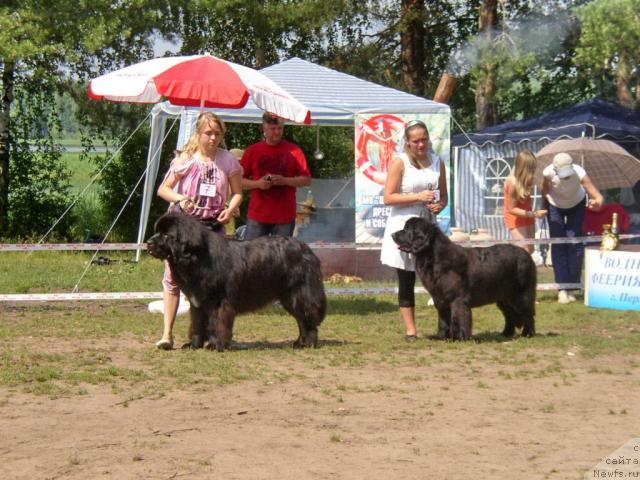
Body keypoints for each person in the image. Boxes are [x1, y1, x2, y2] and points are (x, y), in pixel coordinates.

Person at [155, 112, 243, 349]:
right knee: (173, 279)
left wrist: (230, 208)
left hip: (214, 229)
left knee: (214, 283)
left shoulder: (228, 161)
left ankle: (215, 333)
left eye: (217, 133)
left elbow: (238, 193)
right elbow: (163, 189)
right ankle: (167, 334)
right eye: (208, 133)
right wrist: (181, 199)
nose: (213, 138)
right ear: (199, 133)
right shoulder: (185, 159)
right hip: (183, 229)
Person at [380, 120, 448, 342]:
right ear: (407, 143)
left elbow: (444, 195)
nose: (421, 144)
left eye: (424, 139)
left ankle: (444, 326)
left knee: (438, 278)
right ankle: (411, 331)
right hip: (404, 225)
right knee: (407, 279)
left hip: (429, 226)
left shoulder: (438, 162)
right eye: (416, 141)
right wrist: (417, 197)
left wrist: (440, 204)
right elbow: (388, 197)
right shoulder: (400, 163)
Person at [541, 152, 603, 304]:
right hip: (555, 206)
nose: (567, 176)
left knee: (575, 243)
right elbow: (544, 190)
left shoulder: (580, 172)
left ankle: (573, 286)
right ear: (555, 169)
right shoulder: (547, 173)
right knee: (558, 244)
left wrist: (597, 202)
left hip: (577, 204)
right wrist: (543, 208)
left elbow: (599, 197)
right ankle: (562, 288)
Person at [240, 113, 311, 239]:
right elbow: (238, 182)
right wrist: (258, 184)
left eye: (280, 128)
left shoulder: (295, 151)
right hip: (258, 215)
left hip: (284, 216)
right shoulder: (252, 151)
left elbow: (306, 180)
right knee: (252, 255)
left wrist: (285, 181)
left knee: (282, 257)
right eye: (273, 129)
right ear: (264, 128)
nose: (277, 132)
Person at [503, 150, 547, 253]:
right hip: (515, 216)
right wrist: (535, 214)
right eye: (532, 168)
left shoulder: (529, 178)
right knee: (524, 250)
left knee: (530, 249)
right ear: (525, 168)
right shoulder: (512, 183)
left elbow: (543, 186)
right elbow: (512, 209)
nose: (534, 170)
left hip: (527, 213)